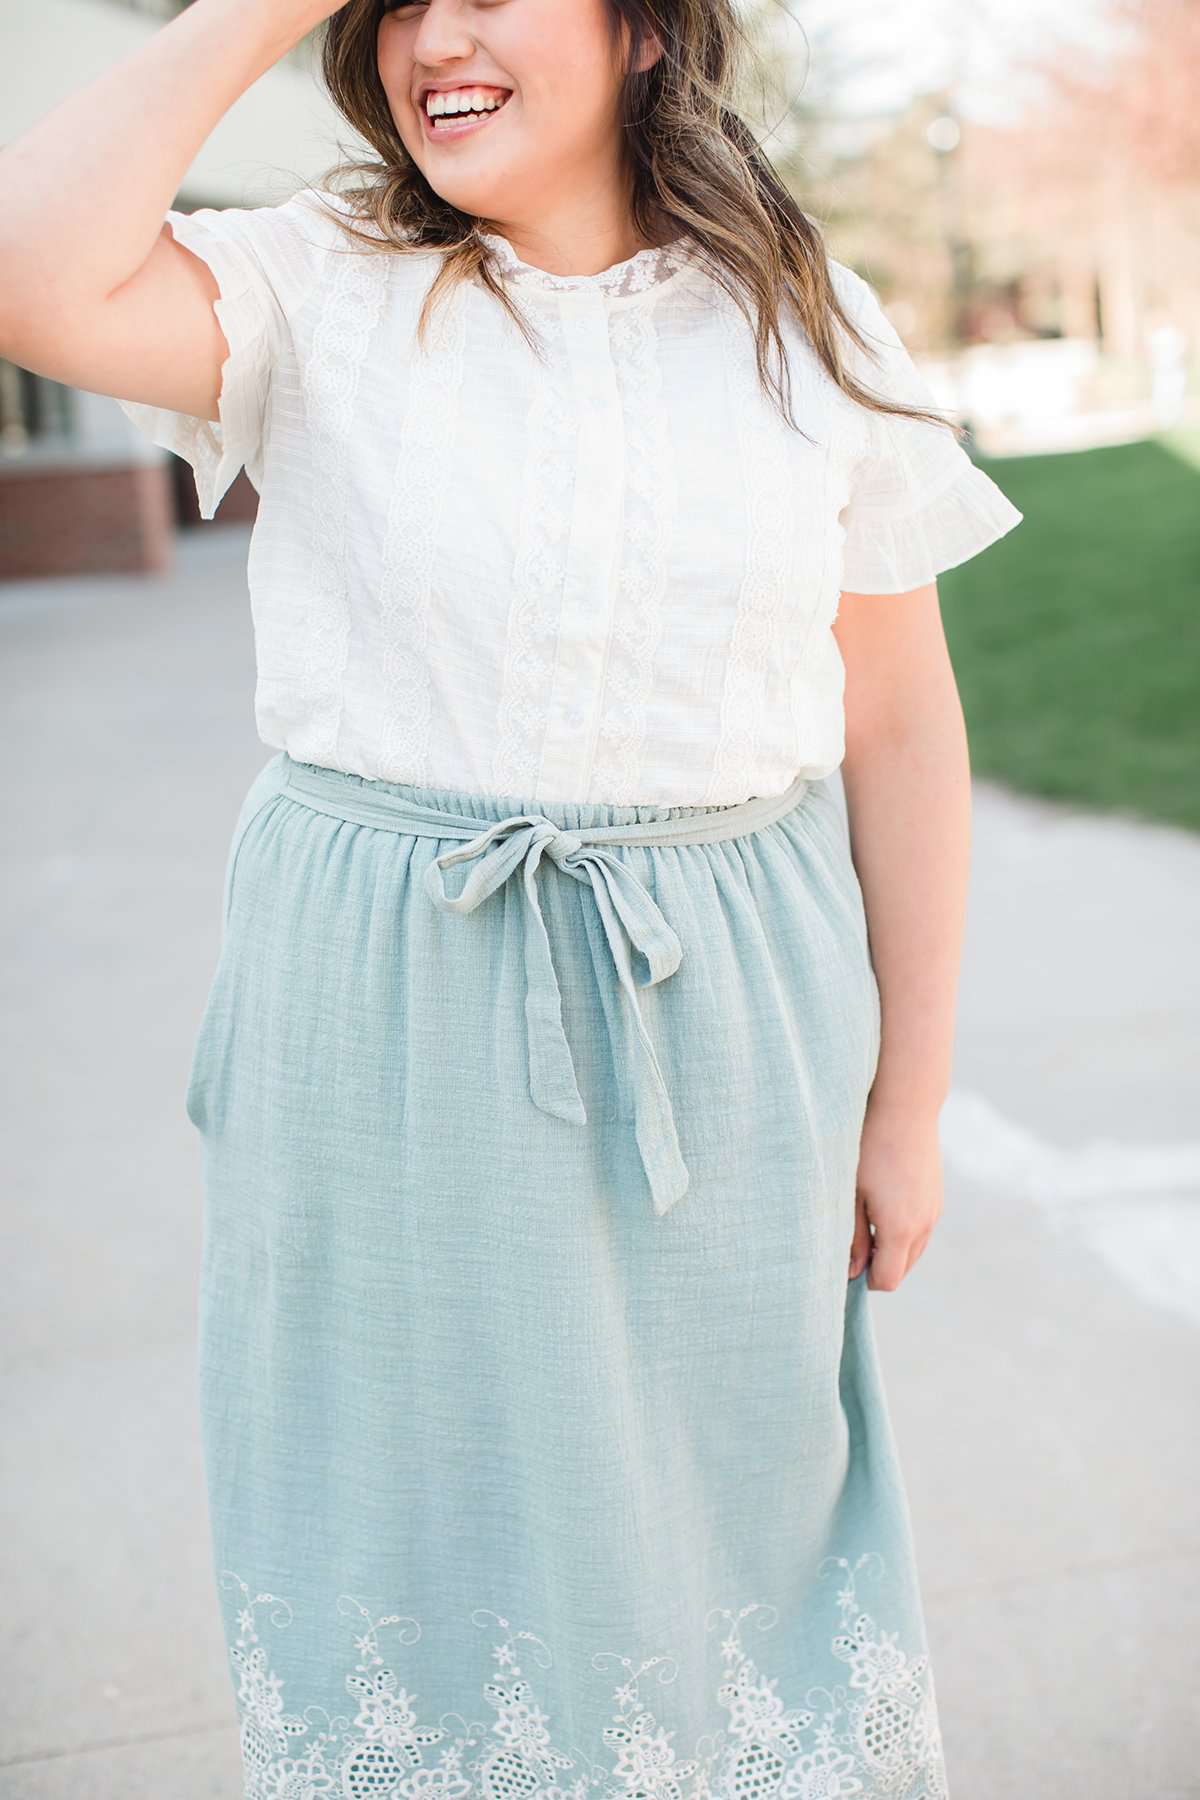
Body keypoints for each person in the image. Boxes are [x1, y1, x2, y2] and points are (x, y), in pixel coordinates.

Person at [0, 1, 1023, 1794]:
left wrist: (909, 1099)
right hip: (381, 1001)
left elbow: (900, 724)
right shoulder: (315, 279)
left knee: (729, 1529)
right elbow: (28, 275)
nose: (433, 36)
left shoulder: (806, 324)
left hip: (730, 1009)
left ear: (643, 31)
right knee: (408, 1522)